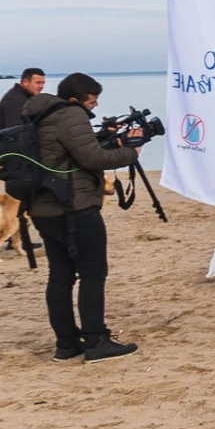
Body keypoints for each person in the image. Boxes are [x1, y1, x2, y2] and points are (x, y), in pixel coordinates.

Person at [25, 72, 144, 362]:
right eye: (92, 100)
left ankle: (66, 345)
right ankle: (96, 341)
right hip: (74, 208)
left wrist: (105, 139)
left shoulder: (39, 114)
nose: (96, 105)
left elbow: (69, 153)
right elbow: (93, 160)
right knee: (93, 274)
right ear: (76, 99)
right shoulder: (71, 115)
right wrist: (131, 151)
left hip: (44, 207)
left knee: (61, 276)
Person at [0, 68, 48, 241]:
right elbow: (16, 132)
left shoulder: (23, 98)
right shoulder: (15, 100)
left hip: (18, 155)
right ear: (25, 82)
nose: (41, 86)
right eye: (38, 82)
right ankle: (0, 228)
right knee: (22, 196)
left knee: (23, 197)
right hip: (16, 157)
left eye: (43, 83)